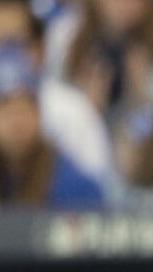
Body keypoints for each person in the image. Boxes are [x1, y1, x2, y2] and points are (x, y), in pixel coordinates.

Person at [0, 43, 105, 208]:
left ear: (39, 113)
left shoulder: (73, 184)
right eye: (6, 111)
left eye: (24, 109)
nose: (16, 122)